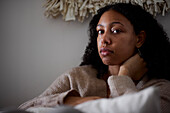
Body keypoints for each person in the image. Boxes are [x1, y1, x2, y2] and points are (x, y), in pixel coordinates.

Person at [18, 3, 170, 113]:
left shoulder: (159, 88)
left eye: (116, 31)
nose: (104, 39)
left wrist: (124, 76)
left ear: (139, 38)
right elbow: (24, 108)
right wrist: (73, 100)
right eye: (100, 31)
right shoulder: (77, 77)